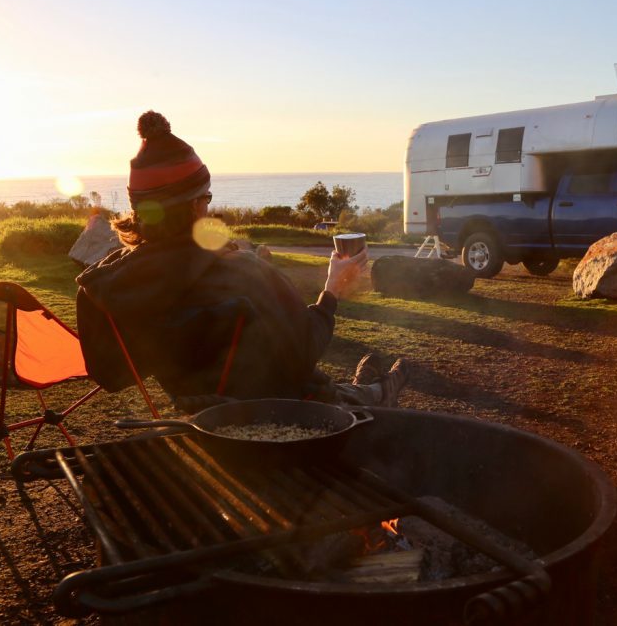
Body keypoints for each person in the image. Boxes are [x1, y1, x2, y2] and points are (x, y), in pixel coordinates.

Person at [75, 111, 408, 412]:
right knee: (365, 399)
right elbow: (305, 349)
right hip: (285, 415)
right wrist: (332, 291)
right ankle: (380, 390)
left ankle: (367, 384)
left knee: (353, 390)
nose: (208, 205)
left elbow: (112, 377)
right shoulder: (242, 271)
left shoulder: (111, 284)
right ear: (193, 205)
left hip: (203, 418)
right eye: (206, 197)